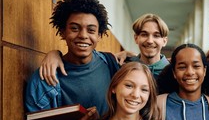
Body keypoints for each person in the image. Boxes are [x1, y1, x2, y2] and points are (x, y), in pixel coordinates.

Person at [39, 13, 170, 85]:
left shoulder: (173, 72)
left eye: (156, 36)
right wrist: (54, 53)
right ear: (136, 38)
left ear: (164, 41)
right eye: (144, 34)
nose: (150, 40)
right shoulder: (122, 65)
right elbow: (92, 56)